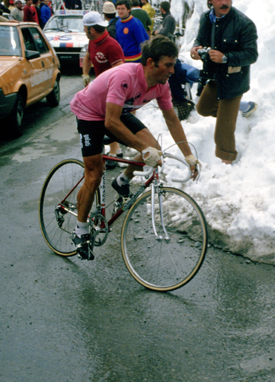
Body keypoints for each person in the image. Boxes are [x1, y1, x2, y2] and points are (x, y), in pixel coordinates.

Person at [69, 35, 199, 260]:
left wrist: (188, 155)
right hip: (91, 112)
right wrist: (143, 148)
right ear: (151, 63)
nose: (172, 70)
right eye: (168, 65)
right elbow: (110, 122)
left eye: (174, 64)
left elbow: (172, 120)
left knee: (153, 148)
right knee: (94, 172)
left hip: (118, 111)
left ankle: (122, 180)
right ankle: (80, 230)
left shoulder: (161, 85)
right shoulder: (125, 77)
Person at [190, 0, 258, 164]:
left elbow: (252, 55)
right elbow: (199, 40)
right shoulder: (206, 18)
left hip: (234, 80)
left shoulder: (244, 23)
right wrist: (195, 49)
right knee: (202, 108)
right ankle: (236, 111)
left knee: (222, 133)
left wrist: (226, 57)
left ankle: (228, 164)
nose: (224, 2)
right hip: (214, 77)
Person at [81, 11, 126, 169]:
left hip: (112, 89)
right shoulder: (92, 42)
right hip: (101, 88)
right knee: (103, 119)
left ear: (91, 29)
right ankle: (117, 150)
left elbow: (120, 72)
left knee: (110, 120)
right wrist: (85, 74)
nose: (84, 31)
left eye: (85, 28)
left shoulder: (111, 45)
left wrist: (111, 92)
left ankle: (114, 153)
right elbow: (87, 57)